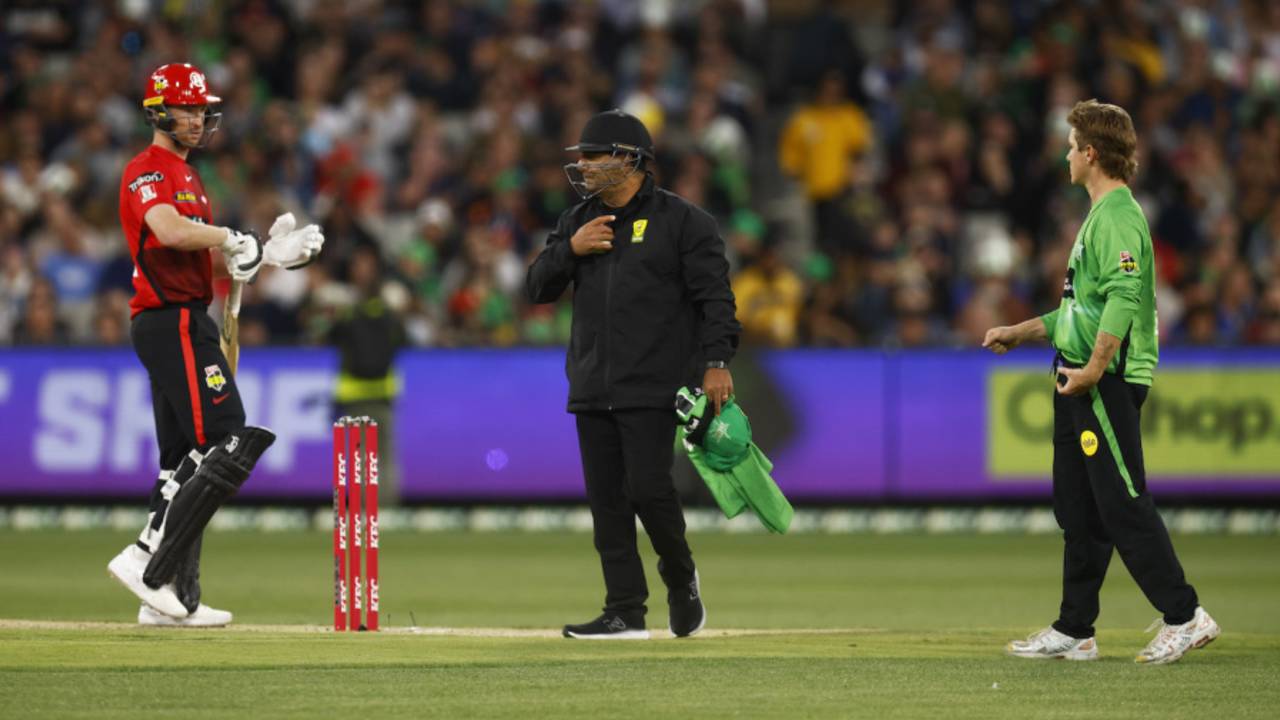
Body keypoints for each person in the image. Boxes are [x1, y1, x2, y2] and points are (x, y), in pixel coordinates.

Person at [983, 99, 1219, 665]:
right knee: (1079, 509)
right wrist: (1020, 331)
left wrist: (1093, 369)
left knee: (1122, 502)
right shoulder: (1099, 215)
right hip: (1078, 373)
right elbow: (1079, 313)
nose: (1065, 155)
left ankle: (1185, 615)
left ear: (1091, 154)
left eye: (1070, 146)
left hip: (1103, 380)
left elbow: (1122, 297)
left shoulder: (1118, 215)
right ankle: (1076, 628)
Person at [107, 63, 324, 627]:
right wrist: (233, 237)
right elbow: (172, 231)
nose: (200, 118)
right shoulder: (146, 170)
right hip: (169, 320)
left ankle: (172, 597)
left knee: (183, 456)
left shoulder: (188, 174)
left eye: (204, 109)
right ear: (160, 111)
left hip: (189, 315)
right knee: (229, 434)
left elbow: (201, 249)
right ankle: (147, 560)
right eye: (189, 108)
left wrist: (260, 255)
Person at [527, 109, 741, 639]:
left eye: (596, 156)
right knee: (608, 504)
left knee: (648, 490)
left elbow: (716, 300)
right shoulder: (578, 221)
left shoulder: (685, 222)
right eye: (584, 157)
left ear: (631, 160)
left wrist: (716, 363)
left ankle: (680, 574)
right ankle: (625, 610)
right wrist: (567, 252)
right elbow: (535, 288)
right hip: (592, 382)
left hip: (656, 383)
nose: (586, 166)